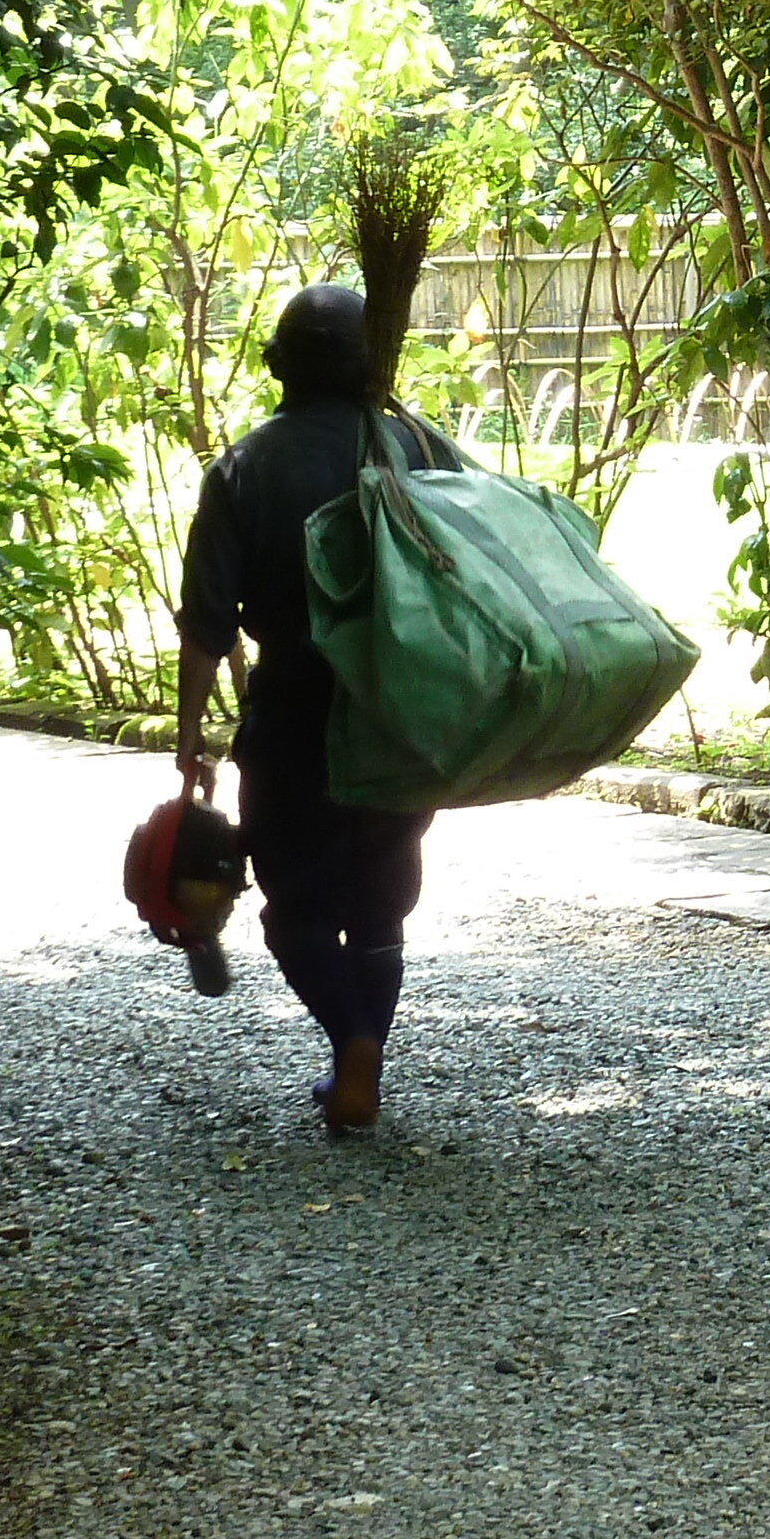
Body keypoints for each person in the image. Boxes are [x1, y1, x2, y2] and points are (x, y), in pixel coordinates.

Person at [172, 284, 463, 1133]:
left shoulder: (244, 467)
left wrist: (193, 740)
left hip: (294, 715)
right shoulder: (418, 448)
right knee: (380, 902)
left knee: (294, 910)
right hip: (405, 714)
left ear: (276, 366)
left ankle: (355, 1051)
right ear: (370, 363)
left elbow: (205, 624)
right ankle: (356, 1068)